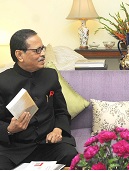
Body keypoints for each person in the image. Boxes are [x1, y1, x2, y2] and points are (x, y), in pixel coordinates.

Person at [0, 29, 77, 169]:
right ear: (19, 55)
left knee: (72, 157)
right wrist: (9, 129)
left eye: (43, 49)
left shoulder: (50, 75)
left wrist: (57, 130)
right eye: (37, 50)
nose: (43, 54)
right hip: (15, 149)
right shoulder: (2, 82)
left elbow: (61, 111)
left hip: (48, 145)